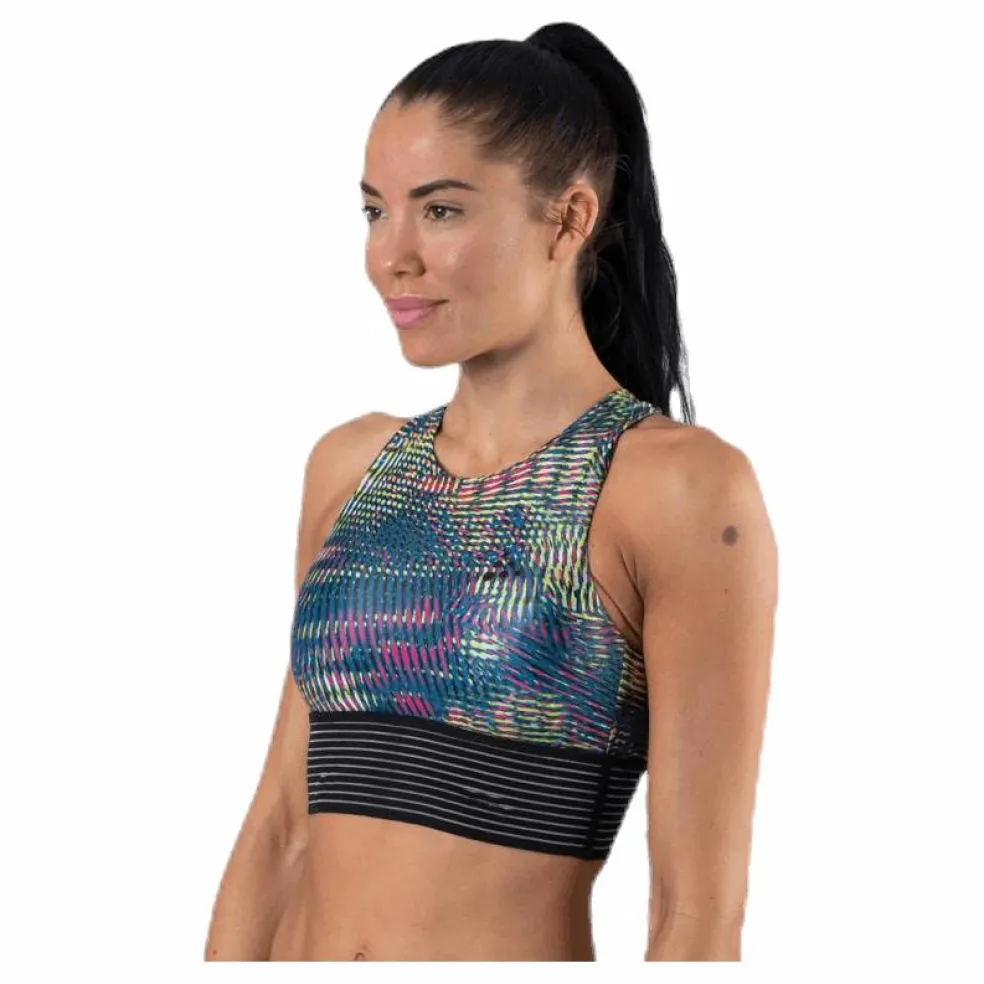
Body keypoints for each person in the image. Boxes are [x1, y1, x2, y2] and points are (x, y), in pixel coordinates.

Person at [204, 21, 777, 962]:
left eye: (440, 210)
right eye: (373, 211)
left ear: (569, 219)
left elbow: (694, 917)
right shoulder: (351, 469)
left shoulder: (675, 490)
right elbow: (280, 829)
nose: (392, 255)